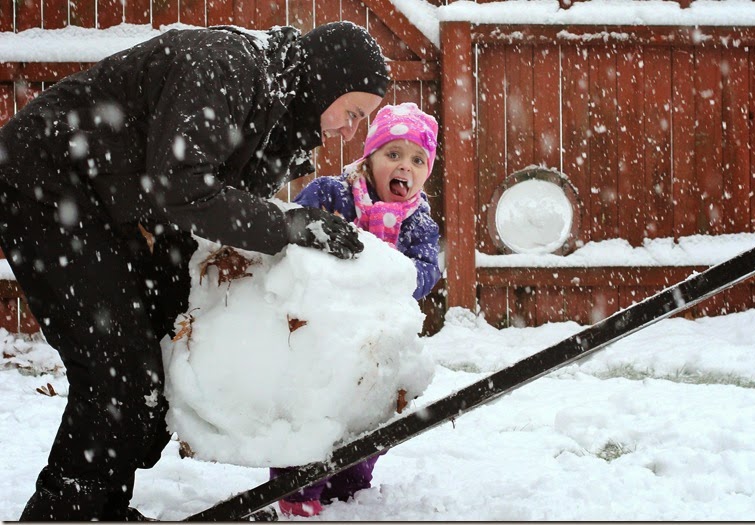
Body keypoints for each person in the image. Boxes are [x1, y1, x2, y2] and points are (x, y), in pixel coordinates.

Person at [0, 20, 389, 521]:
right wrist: (287, 226)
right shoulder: (228, 65)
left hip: (104, 199)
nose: (350, 131)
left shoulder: (274, 117)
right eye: (352, 112)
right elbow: (183, 187)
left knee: (154, 354)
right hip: (46, 176)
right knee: (116, 365)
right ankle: (65, 512)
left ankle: (100, 507)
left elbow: (196, 211)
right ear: (325, 81)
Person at [269, 102, 441, 517]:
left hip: (377, 337)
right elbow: (294, 230)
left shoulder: (419, 223)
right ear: (370, 158)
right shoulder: (332, 193)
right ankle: (297, 491)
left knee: (372, 412)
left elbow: (425, 272)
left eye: (418, 159)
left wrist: (390, 271)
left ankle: (350, 485)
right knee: (314, 407)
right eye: (393, 154)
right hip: (322, 329)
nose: (405, 166)